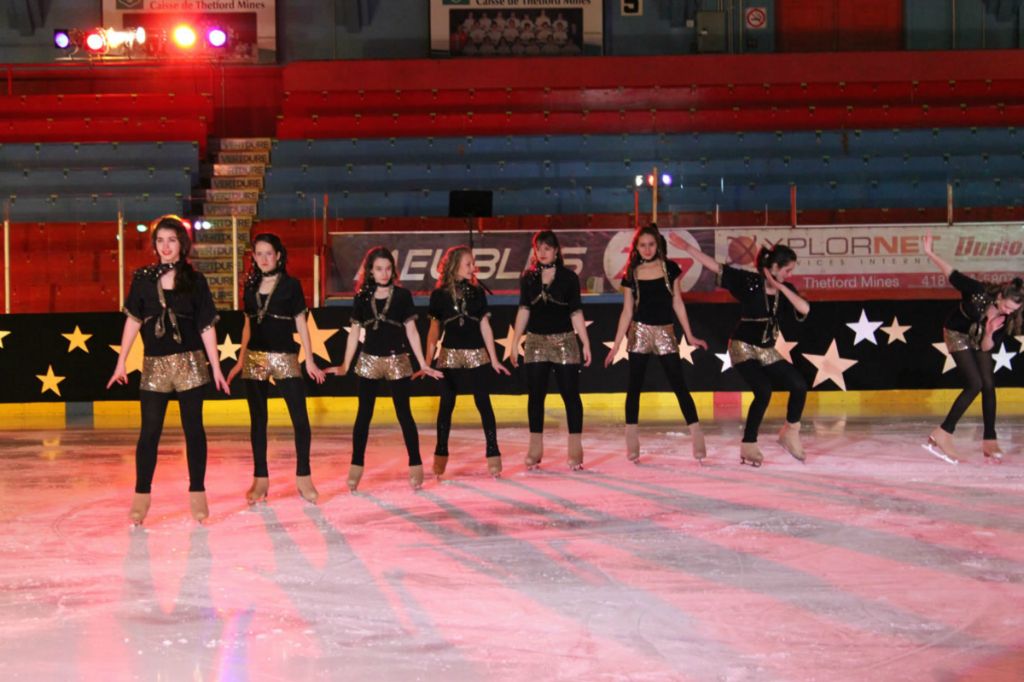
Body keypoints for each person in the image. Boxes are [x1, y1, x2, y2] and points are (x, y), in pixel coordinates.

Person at [107, 215, 229, 524]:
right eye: (160, 240)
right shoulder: (143, 279)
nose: (165, 246)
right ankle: (141, 496)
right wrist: (121, 361)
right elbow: (133, 320)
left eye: (171, 240)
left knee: (193, 429)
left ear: (182, 244)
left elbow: (206, 326)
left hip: (190, 364)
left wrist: (215, 367)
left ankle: (198, 492)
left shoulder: (195, 280)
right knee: (149, 432)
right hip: (155, 366)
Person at [679, 240, 810, 466]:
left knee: (798, 385)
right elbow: (716, 267)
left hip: (766, 350)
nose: (789, 275)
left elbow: (805, 308)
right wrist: (688, 248)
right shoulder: (750, 282)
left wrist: (780, 287)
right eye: (787, 270)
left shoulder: (785, 289)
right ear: (774, 267)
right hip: (742, 347)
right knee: (763, 390)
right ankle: (749, 444)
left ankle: (790, 433)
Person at [327, 247, 443, 491]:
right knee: (363, 415)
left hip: (397, 361)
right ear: (370, 271)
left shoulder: (402, 296)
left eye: (388, 268)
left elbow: (412, 331)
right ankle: (356, 466)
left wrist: (423, 363)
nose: (384, 273)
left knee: (404, 414)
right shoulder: (362, 297)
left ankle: (415, 463)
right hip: (369, 361)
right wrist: (345, 364)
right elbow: (354, 334)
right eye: (379, 269)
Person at [226, 233, 326, 505]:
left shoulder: (291, 285)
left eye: (268, 253)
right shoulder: (249, 285)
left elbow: (301, 323)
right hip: (255, 358)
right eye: (258, 254)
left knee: (300, 419)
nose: (264, 258)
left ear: (278, 255)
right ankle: (260, 480)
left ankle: (304, 477)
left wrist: (310, 359)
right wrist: (240, 360)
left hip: (285, 357)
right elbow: (247, 325)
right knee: (258, 420)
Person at [605, 225, 708, 463]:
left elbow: (678, 303)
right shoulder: (632, 272)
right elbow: (627, 311)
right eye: (642, 245)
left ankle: (697, 435)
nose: (647, 249)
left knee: (679, 384)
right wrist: (616, 345)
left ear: (658, 245)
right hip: (639, 332)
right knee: (634, 386)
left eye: (651, 244)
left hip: (665, 332)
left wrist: (690, 335)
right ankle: (632, 439)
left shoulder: (670, 269)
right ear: (636, 248)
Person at [922, 232, 1023, 463]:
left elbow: (986, 347)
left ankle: (990, 440)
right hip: (956, 333)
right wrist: (930, 253)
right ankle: (943, 432)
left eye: (1013, 311)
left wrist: (989, 332)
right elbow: (952, 274)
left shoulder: (1004, 319)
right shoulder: (977, 291)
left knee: (988, 384)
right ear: (1000, 296)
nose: (1008, 312)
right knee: (974, 384)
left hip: (978, 338)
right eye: (1007, 307)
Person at [423, 245, 510, 480]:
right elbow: (433, 331)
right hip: (449, 355)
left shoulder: (477, 293)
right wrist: (427, 362)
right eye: (469, 264)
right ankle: (440, 454)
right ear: (454, 266)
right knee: (447, 403)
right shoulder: (439, 295)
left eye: (473, 263)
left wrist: (494, 359)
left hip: (476, 354)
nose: (474, 267)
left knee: (483, 401)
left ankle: (493, 454)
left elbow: (485, 326)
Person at [510, 230, 592, 470]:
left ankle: (575, 449)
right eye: (539, 248)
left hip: (564, 341)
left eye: (547, 248)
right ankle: (534, 450)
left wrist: (585, 342)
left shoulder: (568, 278)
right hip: (535, 342)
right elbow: (524, 310)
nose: (542, 252)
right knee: (536, 396)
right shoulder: (528, 278)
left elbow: (575, 312)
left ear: (556, 250)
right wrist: (515, 342)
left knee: (570, 395)